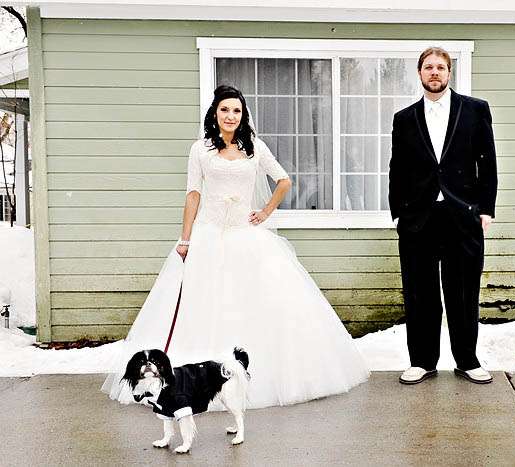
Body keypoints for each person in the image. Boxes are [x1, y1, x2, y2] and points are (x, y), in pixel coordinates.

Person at [102, 85, 369, 408]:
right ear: (215, 114)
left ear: (243, 116)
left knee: (256, 301)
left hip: (246, 235)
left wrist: (266, 211)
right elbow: (193, 194)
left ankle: (258, 377)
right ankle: (194, 381)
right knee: (205, 302)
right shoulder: (200, 150)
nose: (231, 116)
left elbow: (284, 180)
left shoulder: (254, 147)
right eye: (225, 110)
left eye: (237, 111)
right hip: (208, 235)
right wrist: (185, 239)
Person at [388, 47, 497, 385]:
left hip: (462, 216)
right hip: (418, 219)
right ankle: (422, 361)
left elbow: (487, 162)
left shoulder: (475, 110)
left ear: (449, 73)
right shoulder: (404, 119)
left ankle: (467, 360)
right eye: (428, 67)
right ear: (420, 73)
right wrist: (398, 213)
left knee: (463, 293)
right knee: (419, 293)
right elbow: (397, 169)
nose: (434, 72)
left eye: (440, 67)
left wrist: (486, 209)